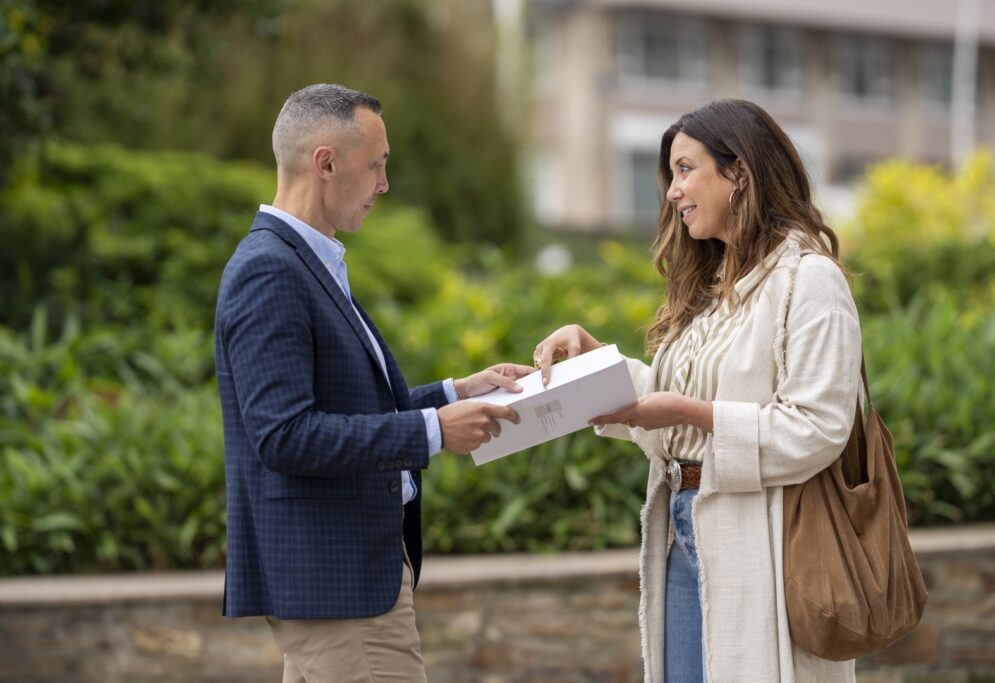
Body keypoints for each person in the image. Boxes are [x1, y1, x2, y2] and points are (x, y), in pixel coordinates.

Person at [533, 99, 862, 682]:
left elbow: (818, 429)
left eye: (686, 170)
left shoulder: (809, 281)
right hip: (683, 532)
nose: (671, 192)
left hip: (762, 542)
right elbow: (670, 406)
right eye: (671, 175)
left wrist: (689, 411)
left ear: (739, 174)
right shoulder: (713, 288)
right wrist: (597, 361)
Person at [214, 83, 530, 683]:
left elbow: (342, 408)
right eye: (377, 165)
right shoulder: (270, 271)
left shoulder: (306, 260)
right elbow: (284, 435)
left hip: (345, 582)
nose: (384, 184)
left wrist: (452, 394)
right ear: (326, 163)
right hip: (340, 588)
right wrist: (434, 431)